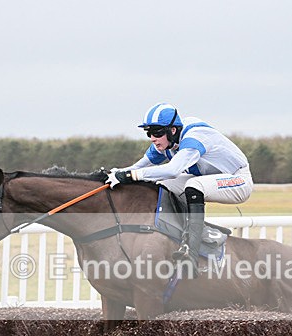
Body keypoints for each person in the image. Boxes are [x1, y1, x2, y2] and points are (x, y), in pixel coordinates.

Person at [106, 103, 253, 273]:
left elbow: (171, 170)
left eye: (157, 132)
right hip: (206, 178)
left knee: (193, 185)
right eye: (149, 133)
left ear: (173, 130)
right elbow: (138, 167)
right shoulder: (165, 142)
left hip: (238, 181)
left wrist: (132, 176)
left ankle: (192, 250)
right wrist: (115, 174)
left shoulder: (194, 138)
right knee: (160, 186)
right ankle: (174, 236)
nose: (152, 138)